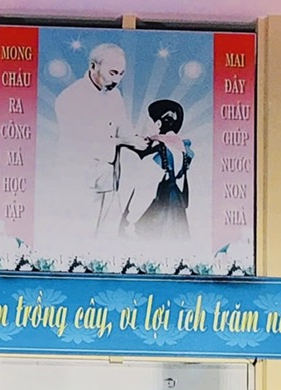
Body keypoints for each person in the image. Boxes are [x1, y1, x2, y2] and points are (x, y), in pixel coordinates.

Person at [53, 43, 136, 238]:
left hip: (108, 180)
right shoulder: (70, 97)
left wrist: (142, 139)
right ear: (93, 66)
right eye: (113, 73)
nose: (117, 80)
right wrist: (124, 141)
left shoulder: (115, 95)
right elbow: (80, 143)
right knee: (80, 236)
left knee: (106, 238)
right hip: (78, 181)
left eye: (121, 74)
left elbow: (123, 127)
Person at [124, 99, 193, 241]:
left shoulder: (158, 153)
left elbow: (145, 191)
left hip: (156, 218)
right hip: (177, 213)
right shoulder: (181, 149)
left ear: (158, 124)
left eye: (148, 121)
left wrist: (131, 221)